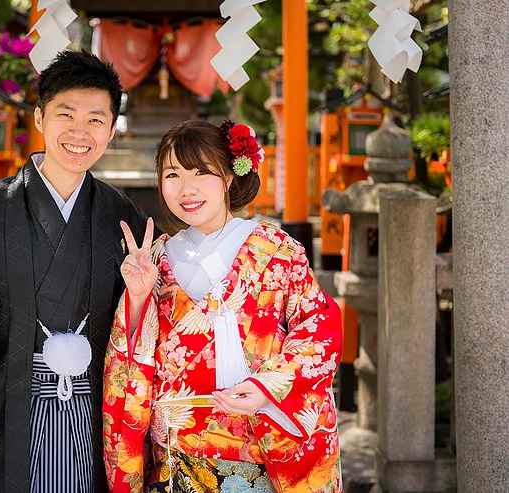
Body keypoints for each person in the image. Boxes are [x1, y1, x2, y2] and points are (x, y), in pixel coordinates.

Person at [0, 50, 148, 493]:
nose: (80, 132)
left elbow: (142, 330)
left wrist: (140, 297)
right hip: (9, 405)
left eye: (97, 119)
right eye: (66, 114)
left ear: (112, 129)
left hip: (96, 409)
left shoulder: (120, 214)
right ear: (39, 117)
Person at [103, 120, 343, 493]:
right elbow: (129, 363)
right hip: (177, 457)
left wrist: (268, 387)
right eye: (173, 175)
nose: (187, 189)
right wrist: (137, 297)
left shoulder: (275, 250)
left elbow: (319, 328)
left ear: (229, 178)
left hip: (260, 449)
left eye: (202, 172)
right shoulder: (154, 260)